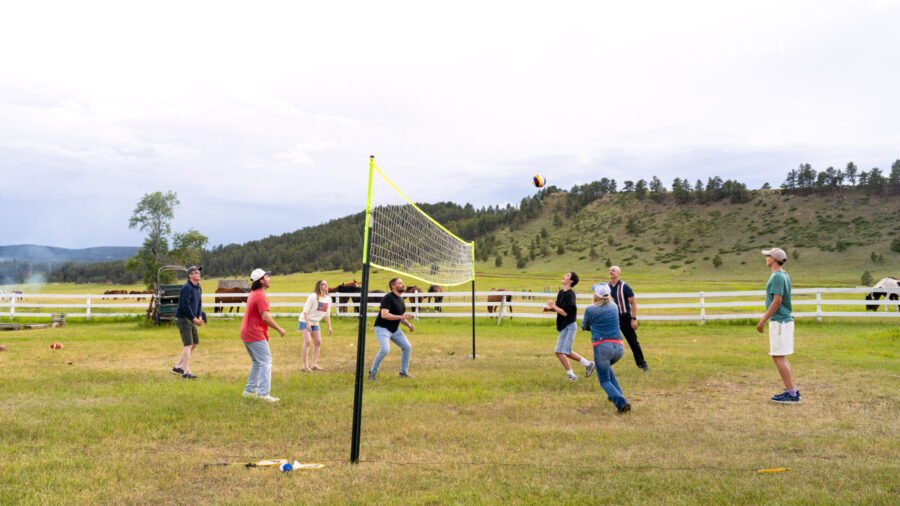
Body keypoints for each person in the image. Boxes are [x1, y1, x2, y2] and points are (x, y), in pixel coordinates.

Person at [756, 248, 799, 403]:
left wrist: (763, 320)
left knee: (778, 356)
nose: (766, 258)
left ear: (773, 259)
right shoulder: (783, 275)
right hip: (783, 321)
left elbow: (777, 301)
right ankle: (791, 390)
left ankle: (792, 394)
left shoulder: (778, 277)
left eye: (768, 256)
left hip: (780, 321)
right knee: (780, 356)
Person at [581, 282, 631, 413]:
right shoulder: (614, 306)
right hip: (619, 347)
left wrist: (586, 328)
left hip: (602, 347)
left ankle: (621, 402)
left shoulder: (590, 309)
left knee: (603, 380)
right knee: (606, 368)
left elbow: (584, 325)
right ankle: (616, 393)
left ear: (596, 295)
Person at [241, 268, 286, 402]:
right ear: (261, 281)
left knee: (257, 362)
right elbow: (266, 317)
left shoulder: (253, 293)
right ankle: (263, 394)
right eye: (267, 277)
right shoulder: (260, 296)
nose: (269, 279)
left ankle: (249, 391)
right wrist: (279, 329)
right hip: (255, 333)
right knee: (266, 362)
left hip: (246, 332)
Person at [543, 272, 594, 382]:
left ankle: (572, 376)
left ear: (571, 281)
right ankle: (588, 364)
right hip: (565, 326)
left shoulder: (570, 295)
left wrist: (552, 306)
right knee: (566, 351)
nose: (564, 275)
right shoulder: (561, 292)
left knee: (559, 352)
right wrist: (550, 309)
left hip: (569, 326)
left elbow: (565, 313)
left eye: (567, 275)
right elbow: (558, 307)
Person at [369, 277, 415, 381]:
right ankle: (372, 373)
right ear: (393, 286)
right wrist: (402, 317)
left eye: (402, 282)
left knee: (407, 347)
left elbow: (400, 316)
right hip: (382, 328)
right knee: (385, 349)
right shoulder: (388, 297)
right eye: (400, 283)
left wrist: (408, 325)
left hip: (394, 329)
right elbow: (384, 315)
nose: (403, 284)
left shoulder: (401, 299)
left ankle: (403, 372)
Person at [608, 265, 648, 371]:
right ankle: (605, 365)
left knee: (633, 341)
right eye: (610, 270)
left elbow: (633, 303)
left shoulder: (625, 286)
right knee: (608, 341)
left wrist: (633, 319)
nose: (611, 272)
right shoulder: (607, 287)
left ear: (619, 273)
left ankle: (642, 364)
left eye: (613, 270)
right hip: (612, 319)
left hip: (625, 317)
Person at [173, 265, 204, 379]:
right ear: (190, 275)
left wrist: (199, 316)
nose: (198, 274)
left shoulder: (198, 287)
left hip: (192, 318)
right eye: (195, 272)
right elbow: (185, 306)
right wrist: (194, 319)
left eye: (199, 272)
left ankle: (177, 367)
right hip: (183, 318)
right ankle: (185, 372)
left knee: (194, 343)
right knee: (188, 345)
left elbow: (199, 303)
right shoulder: (187, 288)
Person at [298, 280, 333, 371]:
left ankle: (314, 365)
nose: (326, 285)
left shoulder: (328, 299)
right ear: (319, 286)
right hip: (305, 321)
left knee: (318, 342)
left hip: (315, 322)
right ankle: (305, 366)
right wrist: (308, 323)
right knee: (308, 342)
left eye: (327, 284)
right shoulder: (313, 296)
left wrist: (329, 327)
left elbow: (327, 313)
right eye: (323, 284)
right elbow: (305, 310)